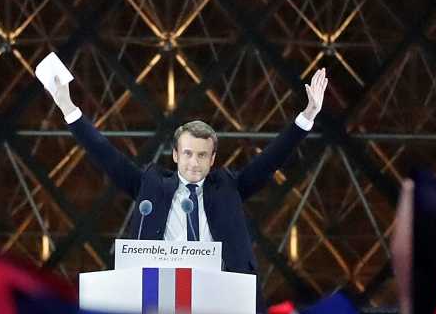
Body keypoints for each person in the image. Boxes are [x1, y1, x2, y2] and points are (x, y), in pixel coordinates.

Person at [46, 65, 329, 274]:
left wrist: (307, 117)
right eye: (189, 154)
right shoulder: (151, 183)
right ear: (176, 154)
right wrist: (69, 108)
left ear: (213, 159)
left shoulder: (229, 186)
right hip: (161, 289)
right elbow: (107, 156)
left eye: (202, 155)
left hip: (222, 288)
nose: (194, 162)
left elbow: (271, 159)